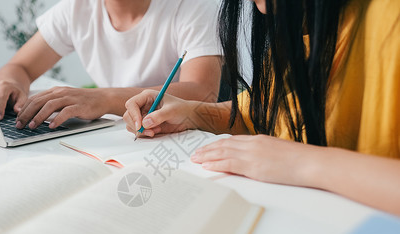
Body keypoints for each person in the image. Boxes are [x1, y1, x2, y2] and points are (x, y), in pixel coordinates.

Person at [123, 0, 400, 215]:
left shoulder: (390, 20)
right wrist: (193, 112)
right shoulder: (302, 24)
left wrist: (303, 162)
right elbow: (260, 114)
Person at [0, 0, 222, 130]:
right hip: (116, 135)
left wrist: (104, 99)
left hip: (180, 136)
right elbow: (20, 67)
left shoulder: (194, 7)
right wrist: (9, 84)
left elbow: (203, 93)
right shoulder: (76, 9)